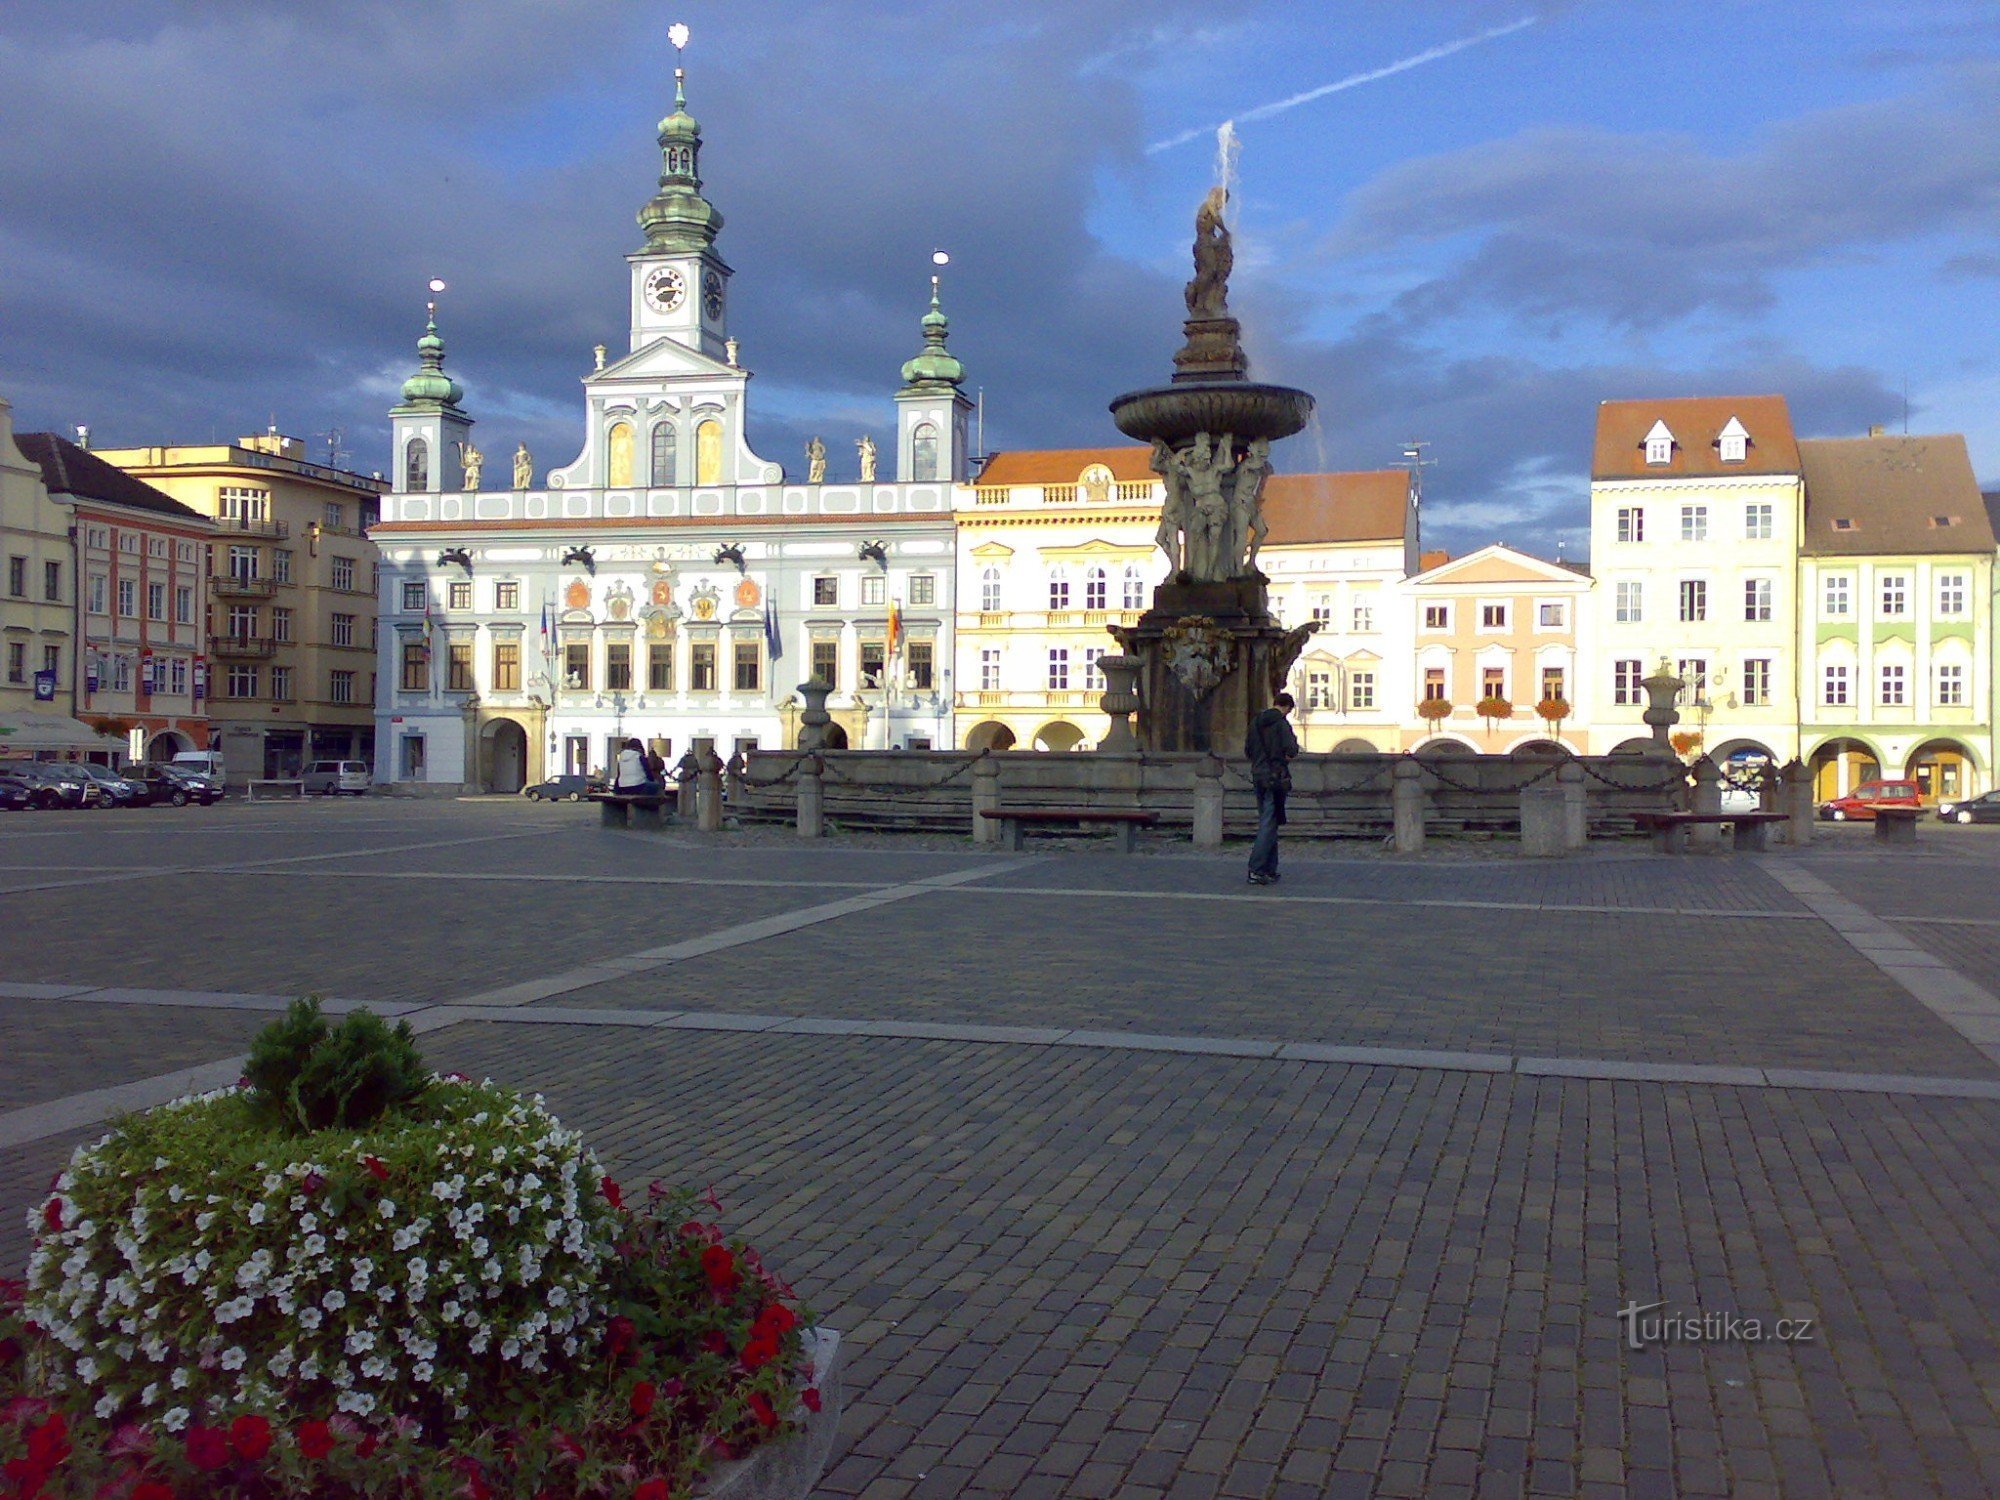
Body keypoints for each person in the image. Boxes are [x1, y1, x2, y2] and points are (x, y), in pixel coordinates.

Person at [1245, 692, 1300, 885]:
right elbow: (1292, 749)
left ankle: (1269, 868)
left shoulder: (1256, 722)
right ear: (1288, 708)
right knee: (1269, 823)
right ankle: (1257, 868)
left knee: (1269, 820)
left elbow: (1248, 751)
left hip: (1258, 775)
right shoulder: (1281, 724)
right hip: (1275, 778)